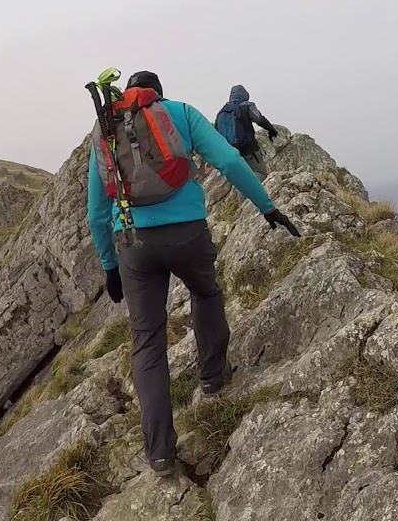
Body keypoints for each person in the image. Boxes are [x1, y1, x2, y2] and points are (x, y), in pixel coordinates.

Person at [86, 70, 301, 477]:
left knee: (147, 341)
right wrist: (267, 207)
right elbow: (228, 160)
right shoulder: (180, 113)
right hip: (187, 233)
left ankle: (160, 453)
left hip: (133, 246)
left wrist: (110, 266)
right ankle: (212, 376)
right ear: (157, 95)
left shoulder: (108, 131)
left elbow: (96, 212)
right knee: (205, 293)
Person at [215, 85, 279, 179]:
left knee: (241, 179)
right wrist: (271, 130)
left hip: (231, 153)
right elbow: (259, 119)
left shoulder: (222, 112)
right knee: (260, 174)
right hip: (249, 150)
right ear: (244, 94)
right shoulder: (247, 106)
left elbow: (216, 134)